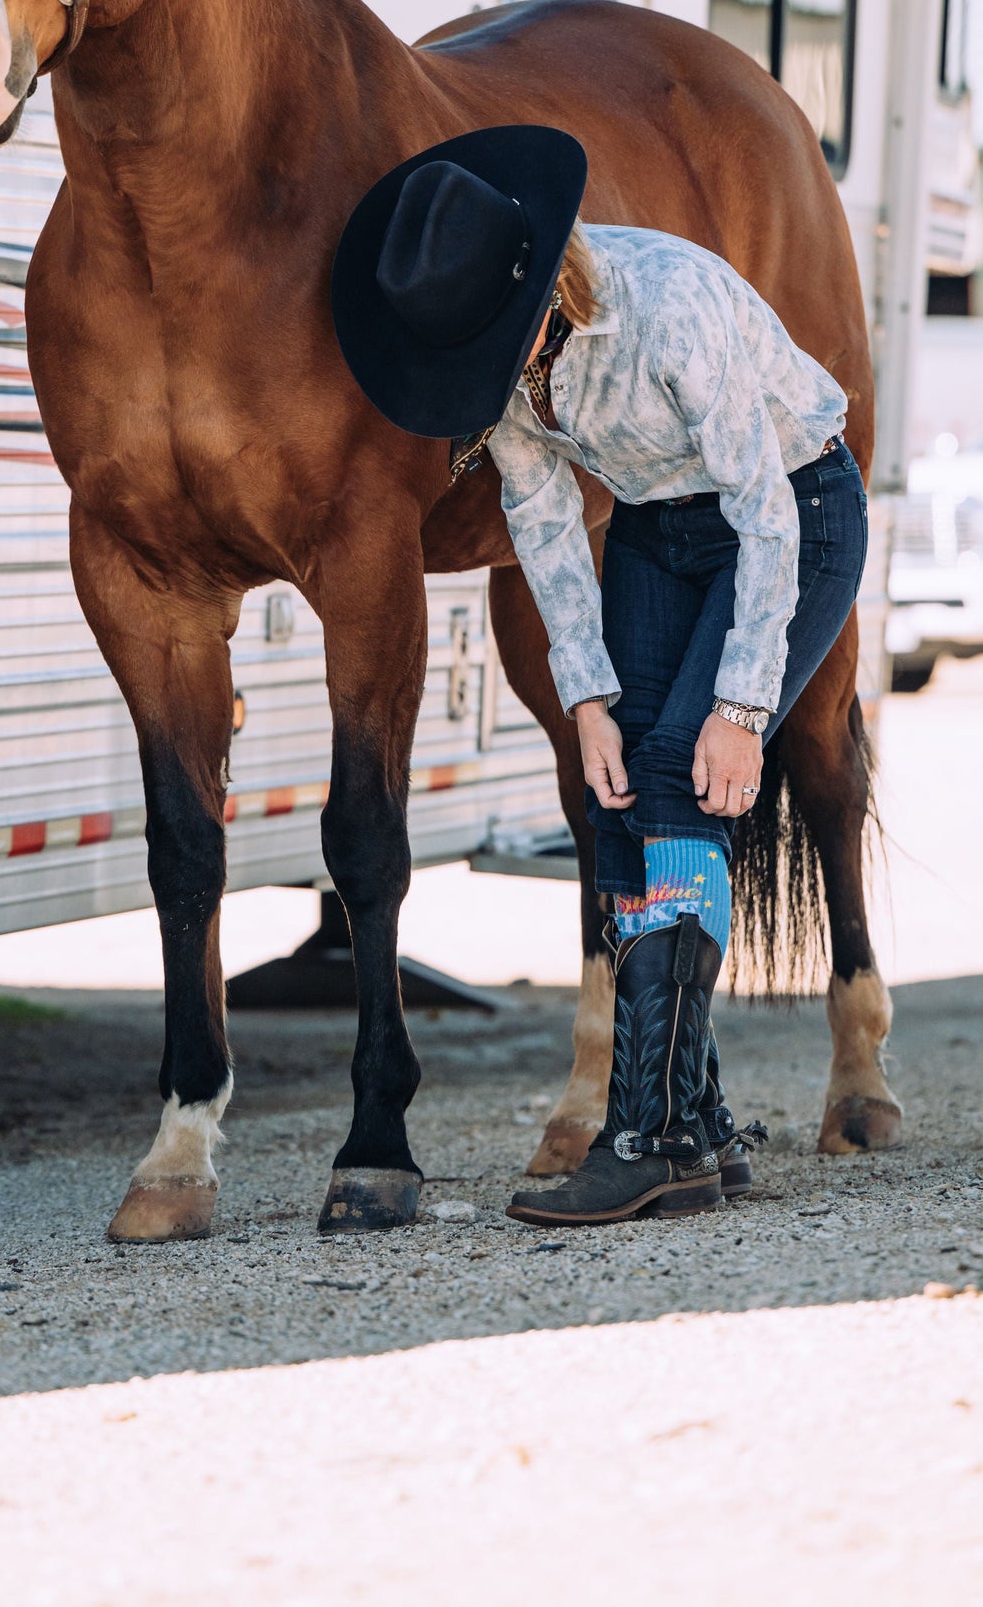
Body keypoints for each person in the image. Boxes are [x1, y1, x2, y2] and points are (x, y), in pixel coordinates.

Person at [330, 124, 867, 1224]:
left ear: (536, 289)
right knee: (614, 792)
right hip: (654, 531)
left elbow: (762, 514)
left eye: (496, 349)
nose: (488, 378)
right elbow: (537, 517)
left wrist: (738, 707)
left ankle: (649, 1135)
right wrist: (582, 698)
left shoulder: (671, 307)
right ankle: (700, 1124)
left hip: (792, 510)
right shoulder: (505, 369)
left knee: (675, 766)